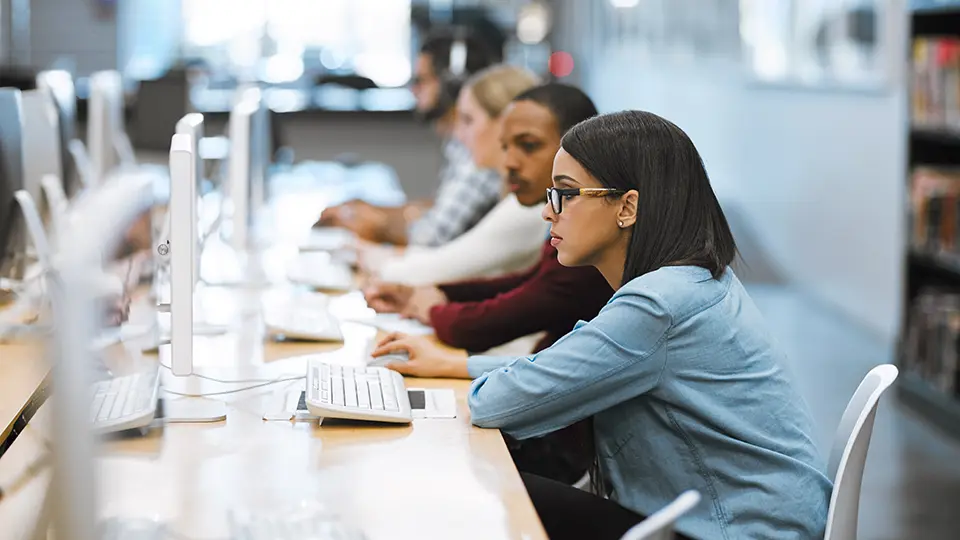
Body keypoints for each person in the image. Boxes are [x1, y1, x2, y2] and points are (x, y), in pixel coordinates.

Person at [372, 110, 832, 540]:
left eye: (566, 193)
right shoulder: (689, 281)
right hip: (750, 520)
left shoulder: (657, 306)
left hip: (730, 530)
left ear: (627, 207)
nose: (548, 212)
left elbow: (496, 404)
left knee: (478, 483)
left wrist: (468, 374)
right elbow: (572, 367)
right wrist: (457, 364)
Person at [363, 84, 612, 485]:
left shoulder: (593, 251)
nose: (507, 162)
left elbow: (524, 310)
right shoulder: (562, 224)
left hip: (562, 438)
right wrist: (441, 303)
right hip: (550, 410)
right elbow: (533, 290)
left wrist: (438, 325)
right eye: (506, 145)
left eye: (527, 146)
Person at [367, 84, 594, 286]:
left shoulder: (536, 207)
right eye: (506, 147)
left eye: (468, 120)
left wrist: (373, 251)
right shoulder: (530, 195)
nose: (457, 133)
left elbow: (440, 258)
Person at [316, 32, 499, 247]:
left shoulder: (477, 155)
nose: (413, 91)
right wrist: (372, 211)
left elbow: (431, 238)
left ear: (453, 86)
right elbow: (437, 209)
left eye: (421, 81)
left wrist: (372, 223)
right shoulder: (458, 146)